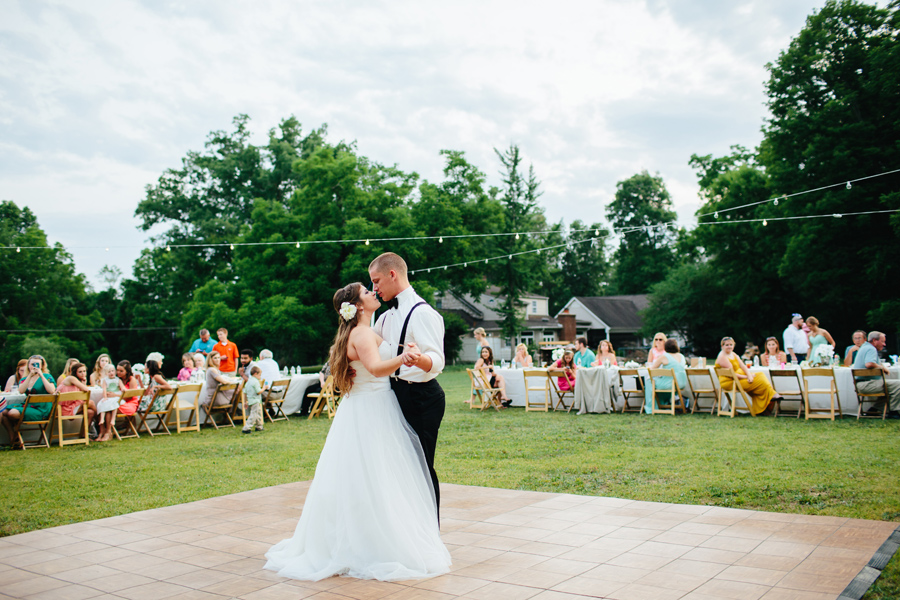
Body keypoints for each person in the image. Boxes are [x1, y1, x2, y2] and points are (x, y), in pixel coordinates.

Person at [264, 281, 451, 581]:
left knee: (374, 474)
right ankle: (374, 542)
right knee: (375, 474)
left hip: (371, 404)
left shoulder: (367, 330)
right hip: (373, 407)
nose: (372, 292)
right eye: (367, 291)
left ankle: (379, 533)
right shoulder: (362, 333)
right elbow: (376, 368)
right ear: (358, 306)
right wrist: (404, 359)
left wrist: (407, 350)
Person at [369, 252, 447, 519]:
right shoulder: (385, 318)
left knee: (421, 468)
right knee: (399, 468)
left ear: (393, 274)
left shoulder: (422, 313)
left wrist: (420, 359)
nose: (374, 288)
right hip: (394, 395)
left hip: (421, 397)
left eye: (377, 281)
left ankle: (429, 536)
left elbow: (437, 360)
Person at [1, 355, 57, 446]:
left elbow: (52, 390)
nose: (34, 366)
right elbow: (21, 390)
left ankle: (15, 435)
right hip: (28, 405)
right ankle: (13, 437)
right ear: (28, 365)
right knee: (3, 412)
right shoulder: (24, 378)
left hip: (41, 408)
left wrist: (41, 375)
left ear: (42, 365)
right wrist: (30, 376)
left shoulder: (47, 376)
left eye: (37, 364)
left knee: (12, 413)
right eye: (32, 364)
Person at [716, 337, 780, 416]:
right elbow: (732, 374)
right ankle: (772, 395)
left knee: (760, 375)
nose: (729, 347)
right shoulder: (722, 357)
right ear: (722, 346)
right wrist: (747, 377)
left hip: (738, 379)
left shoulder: (733, 354)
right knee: (760, 382)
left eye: (731, 345)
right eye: (727, 345)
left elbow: (743, 366)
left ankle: (762, 408)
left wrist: (749, 375)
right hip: (730, 382)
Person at [853, 331, 899, 414]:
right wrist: (882, 368)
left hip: (860, 384)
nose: (884, 344)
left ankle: (874, 409)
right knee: (898, 385)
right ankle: (893, 411)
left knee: (889, 387)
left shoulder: (864, 347)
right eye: (882, 341)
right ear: (874, 340)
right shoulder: (871, 349)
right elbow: (869, 363)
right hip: (867, 385)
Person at [56, 362, 98, 439]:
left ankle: (83, 435)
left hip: (71, 407)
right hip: (63, 409)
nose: (83, 374)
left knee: (90, 413)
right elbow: (86, 390)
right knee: (91, 403)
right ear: (75, 372)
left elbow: (84, 396)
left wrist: (84, 383)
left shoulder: (78, 381)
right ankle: (100, 425)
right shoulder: (71, 378)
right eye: (80, 372)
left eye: (84, 371)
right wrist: (84, 384)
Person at [645, 339, 688, 412]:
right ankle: (662, 403)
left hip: (670, 384)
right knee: (660, 383)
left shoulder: (664, 356)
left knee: (649, 381)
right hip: (681, 383)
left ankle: (651, 407)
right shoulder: (681, 356)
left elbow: (652, 369)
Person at [97, 364, 123, 442]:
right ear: (106, 373)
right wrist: (105, 397)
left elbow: (123, 388)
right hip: (109, 397)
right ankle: (102, 420)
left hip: (116, 397)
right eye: (109, 372)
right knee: (101, 404)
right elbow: (104, 390)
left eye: (112, 371)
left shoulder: (118, 379)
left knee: (113, 405)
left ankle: (112, 421)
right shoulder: (105, 380)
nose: (111, 373)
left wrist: (120, 392)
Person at [242, 366, 267, 434]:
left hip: (250, 400)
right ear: (255, 374)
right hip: (255, 400)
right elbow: (258, 391)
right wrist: (264, 388)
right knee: (254, 414)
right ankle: (247, 427)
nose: (260, 377)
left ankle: (259, 426)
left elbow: (245, 392)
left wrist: (245, 401)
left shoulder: (248, 382)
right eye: (259, 375)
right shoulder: (255, 382)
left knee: (258, 413)